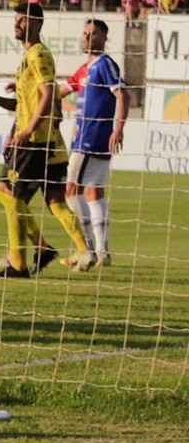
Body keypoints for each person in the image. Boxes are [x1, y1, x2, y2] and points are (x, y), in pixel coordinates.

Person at [0, 3, 94, 277]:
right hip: (36, 139)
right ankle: (39, 251)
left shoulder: (38, 54)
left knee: (9, 194)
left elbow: (50, 95)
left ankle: (22, 261)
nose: (17, 24)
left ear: (36, 23)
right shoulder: (27, 58)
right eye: (16, 19)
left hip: (37, 140)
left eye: (22, 20)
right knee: (31, 200)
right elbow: (23, 106)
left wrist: (26, 133)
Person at [59, 19, 127, 267]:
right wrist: (28, 92)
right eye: (85, 33)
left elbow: (122, 94)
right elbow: (62, 91)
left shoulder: (105, 64)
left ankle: (85, 248)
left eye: (94, 33)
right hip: (86, 137)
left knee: (69, 191)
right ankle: (102, 252)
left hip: (91, 137)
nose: (87, 37)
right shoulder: (84, 69)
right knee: (93, 192)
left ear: (104, 38)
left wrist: (118, 127)